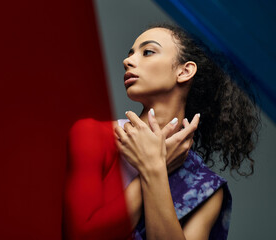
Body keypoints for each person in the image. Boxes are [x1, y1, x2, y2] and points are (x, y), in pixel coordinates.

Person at [62, 23, 259, 240]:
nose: (127, 61)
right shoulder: (93, 135)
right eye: (130, 54)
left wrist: (154, 169)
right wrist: (157, 164)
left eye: (147, 52)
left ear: (184, 71)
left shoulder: (204, 187)